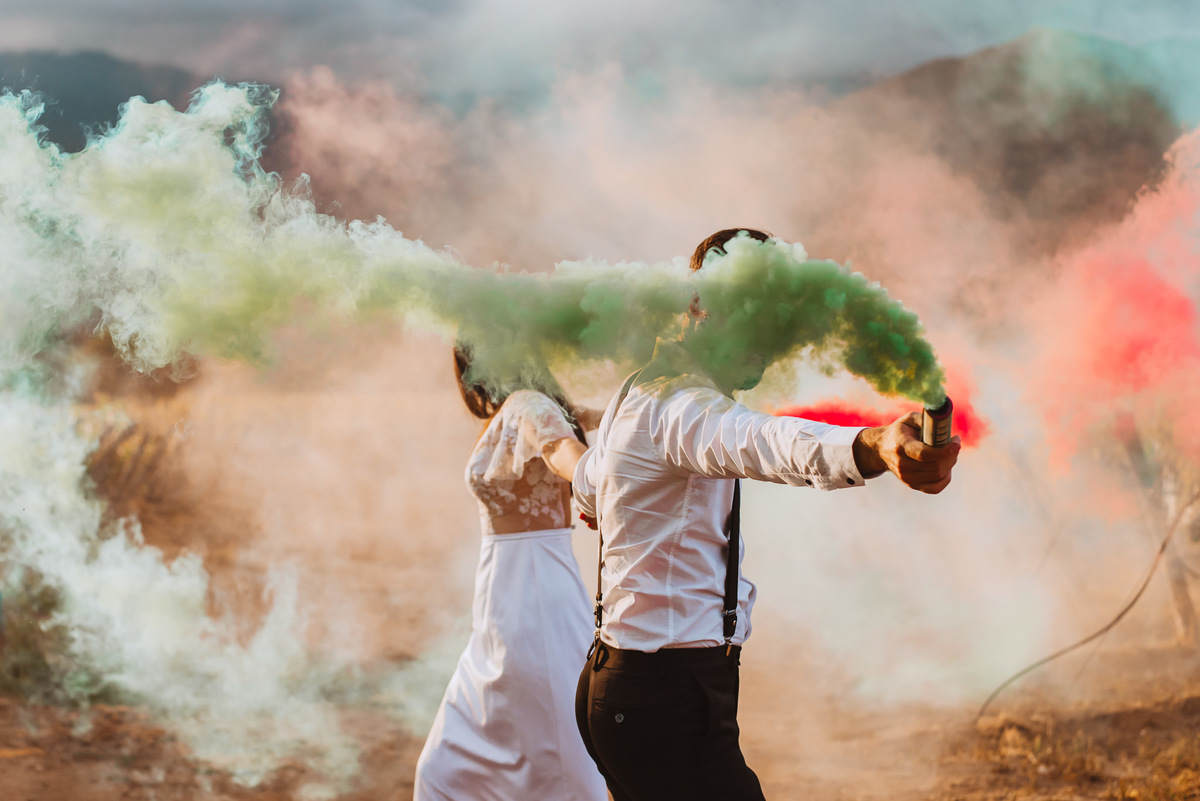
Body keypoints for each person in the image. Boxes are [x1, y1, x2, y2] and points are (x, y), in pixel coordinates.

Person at [573, 228, 962, 801]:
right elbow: (762, 441)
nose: (767, 344)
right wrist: (874, 446)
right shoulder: (681, 405)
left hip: (620, 688)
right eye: (751, 320)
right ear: (699, 307)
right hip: (664, 695)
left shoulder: (636, 391)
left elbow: (588, 485)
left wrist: (605, 501)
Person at [413, 345, 607, 801]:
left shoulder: (528, 406)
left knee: (553, 749)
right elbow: (602, 421)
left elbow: (566, 453)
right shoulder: (528, 407)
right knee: (445, 766)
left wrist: (590, 483)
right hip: (505, 595)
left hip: (532, 593)